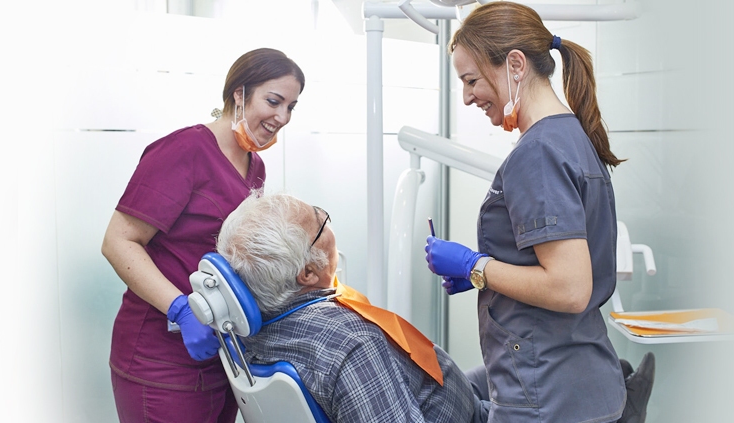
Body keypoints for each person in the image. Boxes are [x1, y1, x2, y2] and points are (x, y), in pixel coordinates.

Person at [214, 192, 655, 423]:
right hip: (472, 418)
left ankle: (615, 378)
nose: (329, 223)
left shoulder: (259, 325)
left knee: (521, 366)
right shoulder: (351, 346)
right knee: (564, 379)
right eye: (319, 222)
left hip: (435, 392)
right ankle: (620, 411)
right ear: (306, 275)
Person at [423, 2, 636, 422]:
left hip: (550, 393)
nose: (466, 97)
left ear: (515, 64)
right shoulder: (572, 135)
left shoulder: (537, 152)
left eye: (470, 80)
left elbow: (570, 288)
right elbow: (555, 262)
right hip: (581, 380)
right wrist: (491, 275)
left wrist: (476, 266)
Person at [100, 48, 304, 423]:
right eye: (274, 101)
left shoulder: (254, 165)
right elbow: (118, 241)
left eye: (292, 106)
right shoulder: (185, 150)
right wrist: (181, 310)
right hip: (160, 359)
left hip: (221, 357)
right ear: (239, 94)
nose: (282, 117)